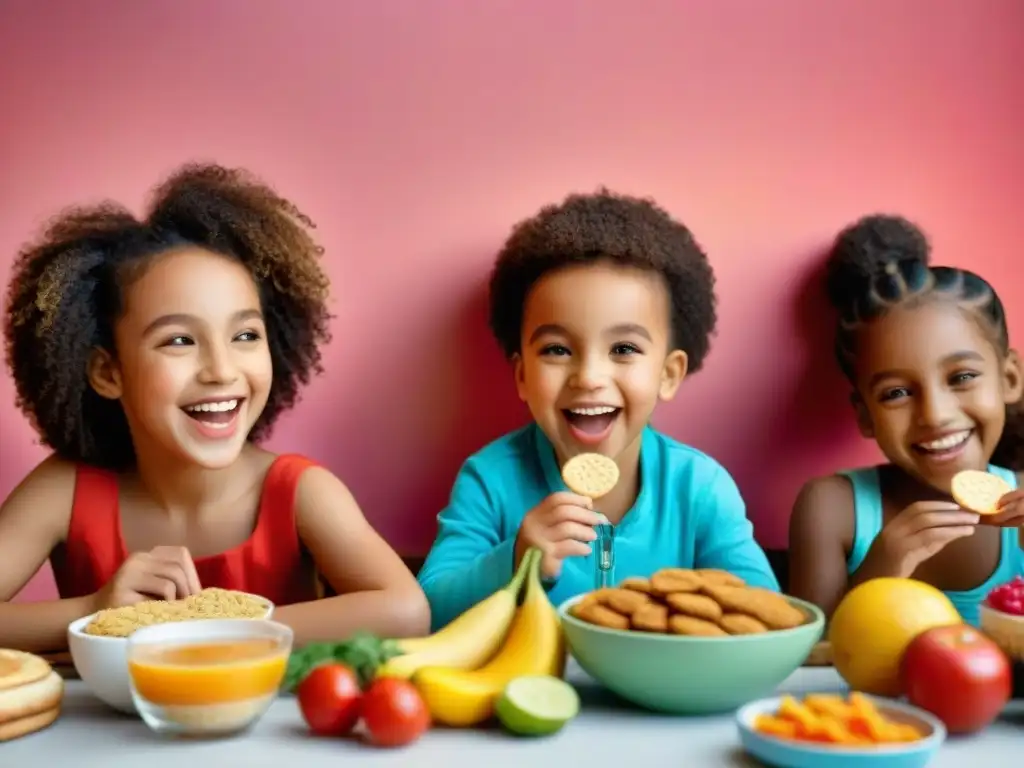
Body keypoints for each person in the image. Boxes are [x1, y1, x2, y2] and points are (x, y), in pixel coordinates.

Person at [0, 163, 429, 652]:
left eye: (245, 335)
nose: (222, 370)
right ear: (108, 372)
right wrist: (93, 611)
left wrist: (203, 632)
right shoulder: (64, 492)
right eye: (180, 340)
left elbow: (405, 609)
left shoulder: (300, 492)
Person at [417, 189, 779, 630]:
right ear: (523, 377)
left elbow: (764, 611)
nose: (588, 376)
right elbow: (430, 607)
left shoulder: (699, 488)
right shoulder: (490, 480)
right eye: (557, 349)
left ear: (668, 374)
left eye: (623, 348)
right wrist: (514, 560)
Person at [788, 214, 1024, 626]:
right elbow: (810, 655)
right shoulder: (832, 508)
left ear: (1009, 379)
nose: (935, 415)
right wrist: (883, 568)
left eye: (962, 378)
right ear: (864, 414)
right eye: (897, 393)